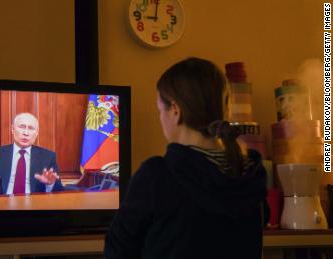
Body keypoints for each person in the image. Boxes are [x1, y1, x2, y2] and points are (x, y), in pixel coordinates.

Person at [105, 57, 269, 259]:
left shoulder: (156, 176)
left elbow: (117, 251)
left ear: (175, 110)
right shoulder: (252, 175)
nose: (160, 118)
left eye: (159, 110)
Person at [0, 112, 64, 196]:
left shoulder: (48, 156)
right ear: (13, 129)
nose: (26, 133)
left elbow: (59, 191)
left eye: (31, 128)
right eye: (21, 127)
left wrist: (50, 184)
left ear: (36, 133)